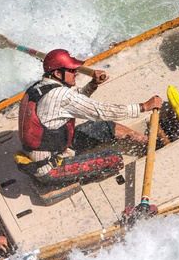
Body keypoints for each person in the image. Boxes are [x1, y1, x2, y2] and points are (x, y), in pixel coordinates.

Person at [15, 49, 163, 190]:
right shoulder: (61, 95)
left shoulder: (39, 87)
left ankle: (152, 143)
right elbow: (102, 111)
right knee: (114, 159)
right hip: (49, 168)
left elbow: (74, 101)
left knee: (106, 126)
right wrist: (143, 107)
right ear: (58, 74)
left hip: (55, 146)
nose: (77, 73)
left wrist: (92, 85)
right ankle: (77, 180)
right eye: (72, 70)